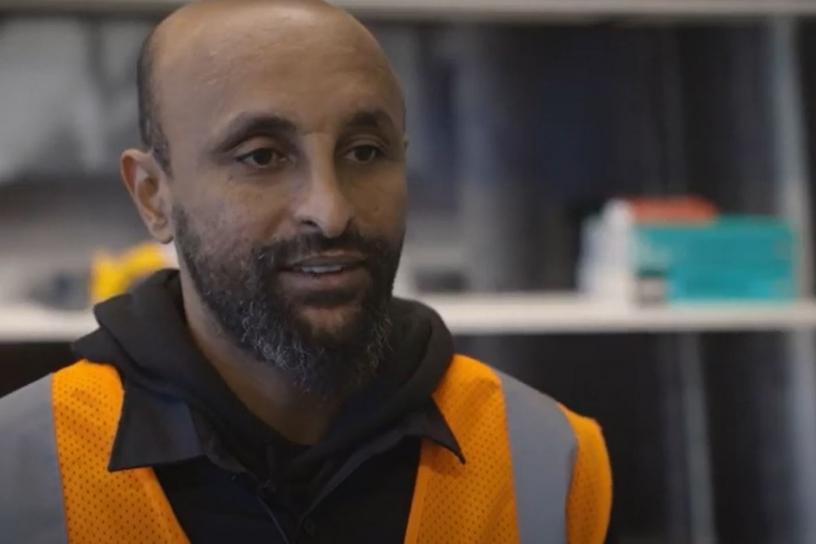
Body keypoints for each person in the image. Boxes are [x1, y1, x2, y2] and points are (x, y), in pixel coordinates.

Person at [0, 1, 611, 542]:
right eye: (262, 156)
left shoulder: (549, 462)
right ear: (154, 196)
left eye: (365, 151)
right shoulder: (21, 471)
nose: (331, 210)